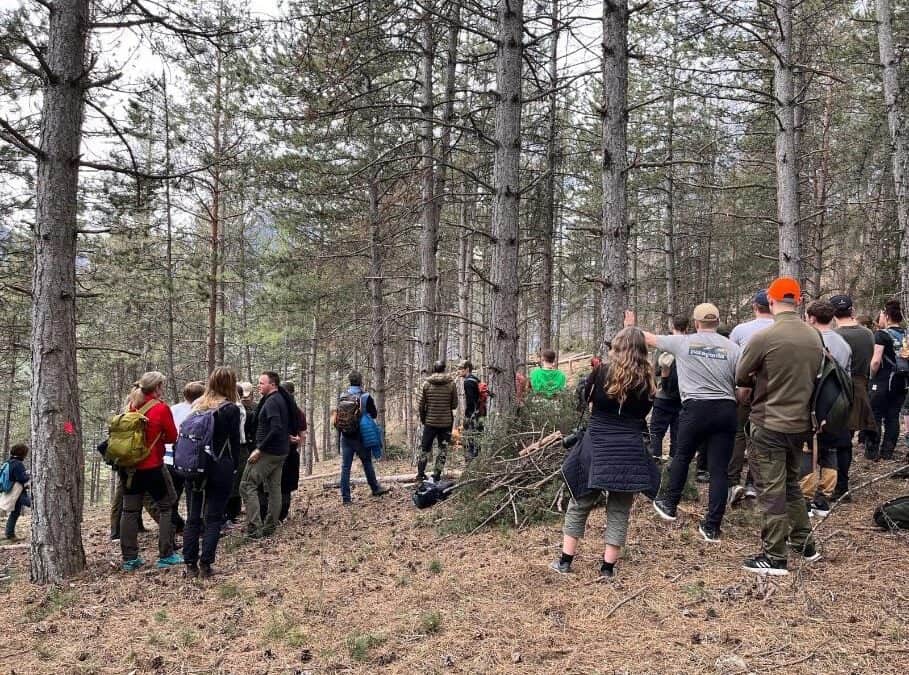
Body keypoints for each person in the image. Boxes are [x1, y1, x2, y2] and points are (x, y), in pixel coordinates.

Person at [553, 328, 657, 580]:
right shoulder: (648, 379)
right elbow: (645, 411)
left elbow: (587, 403)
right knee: (619, 510)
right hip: (630, 448)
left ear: (618, 348)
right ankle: (607, 568)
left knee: (580, 502)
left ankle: (565, 562)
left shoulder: (601, 372)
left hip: (597, 443)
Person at [736, 277, 823, 575]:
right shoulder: (814, 337)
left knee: (771, 491)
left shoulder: (765, 337)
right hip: (800, 424)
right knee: (790, 484)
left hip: (770, 422)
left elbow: (741, 373)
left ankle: (775, 557)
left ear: (771, 302)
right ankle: (805, 543)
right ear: (798, 302)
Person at [632, 304, 740, 543]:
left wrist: (631, 324)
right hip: (726, 408)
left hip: (696, 408)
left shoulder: (683, 342)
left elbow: (646, 338)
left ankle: (669, 504)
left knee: (682, 455)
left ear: (696, 322)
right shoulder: (733, 348)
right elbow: (743, 382)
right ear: (718, 320)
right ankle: (712, 527)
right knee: (719, 470)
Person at [119, 371, 182, 571]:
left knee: (129, 510)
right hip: (152, 465)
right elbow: (172, 436)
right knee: (167, 505)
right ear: (157, 387)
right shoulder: (161, 409)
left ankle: (130, 558)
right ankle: (166, 553)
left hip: (129, 468)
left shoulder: (131, 405)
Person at [182, 367, 241, 578]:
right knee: (214, 517)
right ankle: (206, 564)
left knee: (193, 517)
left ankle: (189, 565)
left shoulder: (197, 405)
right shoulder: (230, 409)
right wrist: (234, 466)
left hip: (195, 465)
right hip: (219, 465)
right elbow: (234, 441)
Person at [802, 300, 852, 517]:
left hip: (815, 403)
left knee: (807, 448)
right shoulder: (843, 343)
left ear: (812, 318)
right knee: (830, 448)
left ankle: (806, 499)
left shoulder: (811, 341)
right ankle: (824, 499)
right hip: (838, 405)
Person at [727, 290, 774, 504]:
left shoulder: (741, 330)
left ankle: (732, 481)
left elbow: (732, 359)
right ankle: (753, 484)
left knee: (739, 433)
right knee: (760, 434)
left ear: (755, 306)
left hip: (744, 388)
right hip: (772, 391)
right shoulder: (780, 329)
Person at [831, 294, 876, 500]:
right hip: (859, 388)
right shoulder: (868, 334)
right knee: (846, 438)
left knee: (834, 440)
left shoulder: (834, 336)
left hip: (837, 388)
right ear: (852, 310)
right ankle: (842, 484)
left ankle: (836, 486)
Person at [240, 371, 290, 539]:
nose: (259, 386)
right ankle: (270, 526)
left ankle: (255, 529)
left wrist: (259, 449)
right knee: (274, 488)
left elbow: (276, 427)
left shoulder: (273, 402)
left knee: (247, 485)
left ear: (273, 384)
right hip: (280, 451)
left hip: (268, 452)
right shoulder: (279, 400)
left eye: (262, 383)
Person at [336, 371, 389, 504]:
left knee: (345, 467)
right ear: (360, 381)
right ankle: (375, 488)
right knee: (367, 463)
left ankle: (346, 498)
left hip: (345, 435)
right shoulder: (365, 396)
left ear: (350, 381)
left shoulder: (343, 395)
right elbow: (374, 414)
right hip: (360, 436)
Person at [868, 299, 908, 461]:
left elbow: (876, 360)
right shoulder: (906, 334)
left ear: (887, 315)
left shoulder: (881, 335)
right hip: (902, 380)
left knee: (876, 415)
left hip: (883, 380)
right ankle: (888, 451)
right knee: (893, 416)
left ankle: (872, 452)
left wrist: (871, 375)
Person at [165, 381, 205, 534]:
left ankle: (174, 525)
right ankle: (194, 525)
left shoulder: (173, 409)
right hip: (190, 460)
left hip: (170, 457)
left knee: (173, 495)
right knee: (193, 493)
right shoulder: (200, 411)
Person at [649, 315, 687, 461]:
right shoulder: (690, 344)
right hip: (683, 397)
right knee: (677, 433)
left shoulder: (665, 345)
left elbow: (656, 370)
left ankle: (655, 459)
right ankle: (674, 462)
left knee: (656, 431)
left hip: (663, 397)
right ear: (687, 327)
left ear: (673, 327)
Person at [416, 361, 458, 483]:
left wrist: (424, 419)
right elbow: (454, 405)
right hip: (446, 423)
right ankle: (436, 475)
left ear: (434, 369)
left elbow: (421, 405)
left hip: (430, 423)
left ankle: (420, 474)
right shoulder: (451, 384)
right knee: (442, 449)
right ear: (444, 369)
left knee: (424, 449)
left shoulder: (427, 384)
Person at [226, 382, 256, 524]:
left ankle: (232, 513)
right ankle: (231, 513)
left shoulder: (238, 409)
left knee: (237, 480)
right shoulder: (237, 409)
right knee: (236, 480)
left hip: (237, 447)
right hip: (237, 447)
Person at [3, 443, 31, 541]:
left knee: (15, 513)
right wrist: (29, 475)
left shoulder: (9, 462)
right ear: (22, 453)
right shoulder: (18, 464)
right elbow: (21, 478)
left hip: (12, 490)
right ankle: (9, 534)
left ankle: (9, 534)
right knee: (35, 504)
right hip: (17, 491)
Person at [458, 360, 483, 460]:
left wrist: (469, 415)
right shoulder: (475, 379)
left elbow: (471, 400)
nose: (458, 371)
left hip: (473, 415)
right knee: (477, 437)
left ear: (467, 369)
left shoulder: (468, 382)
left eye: (460, 369)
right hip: (479, 413)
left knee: (470, 439)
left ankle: (472, 462)